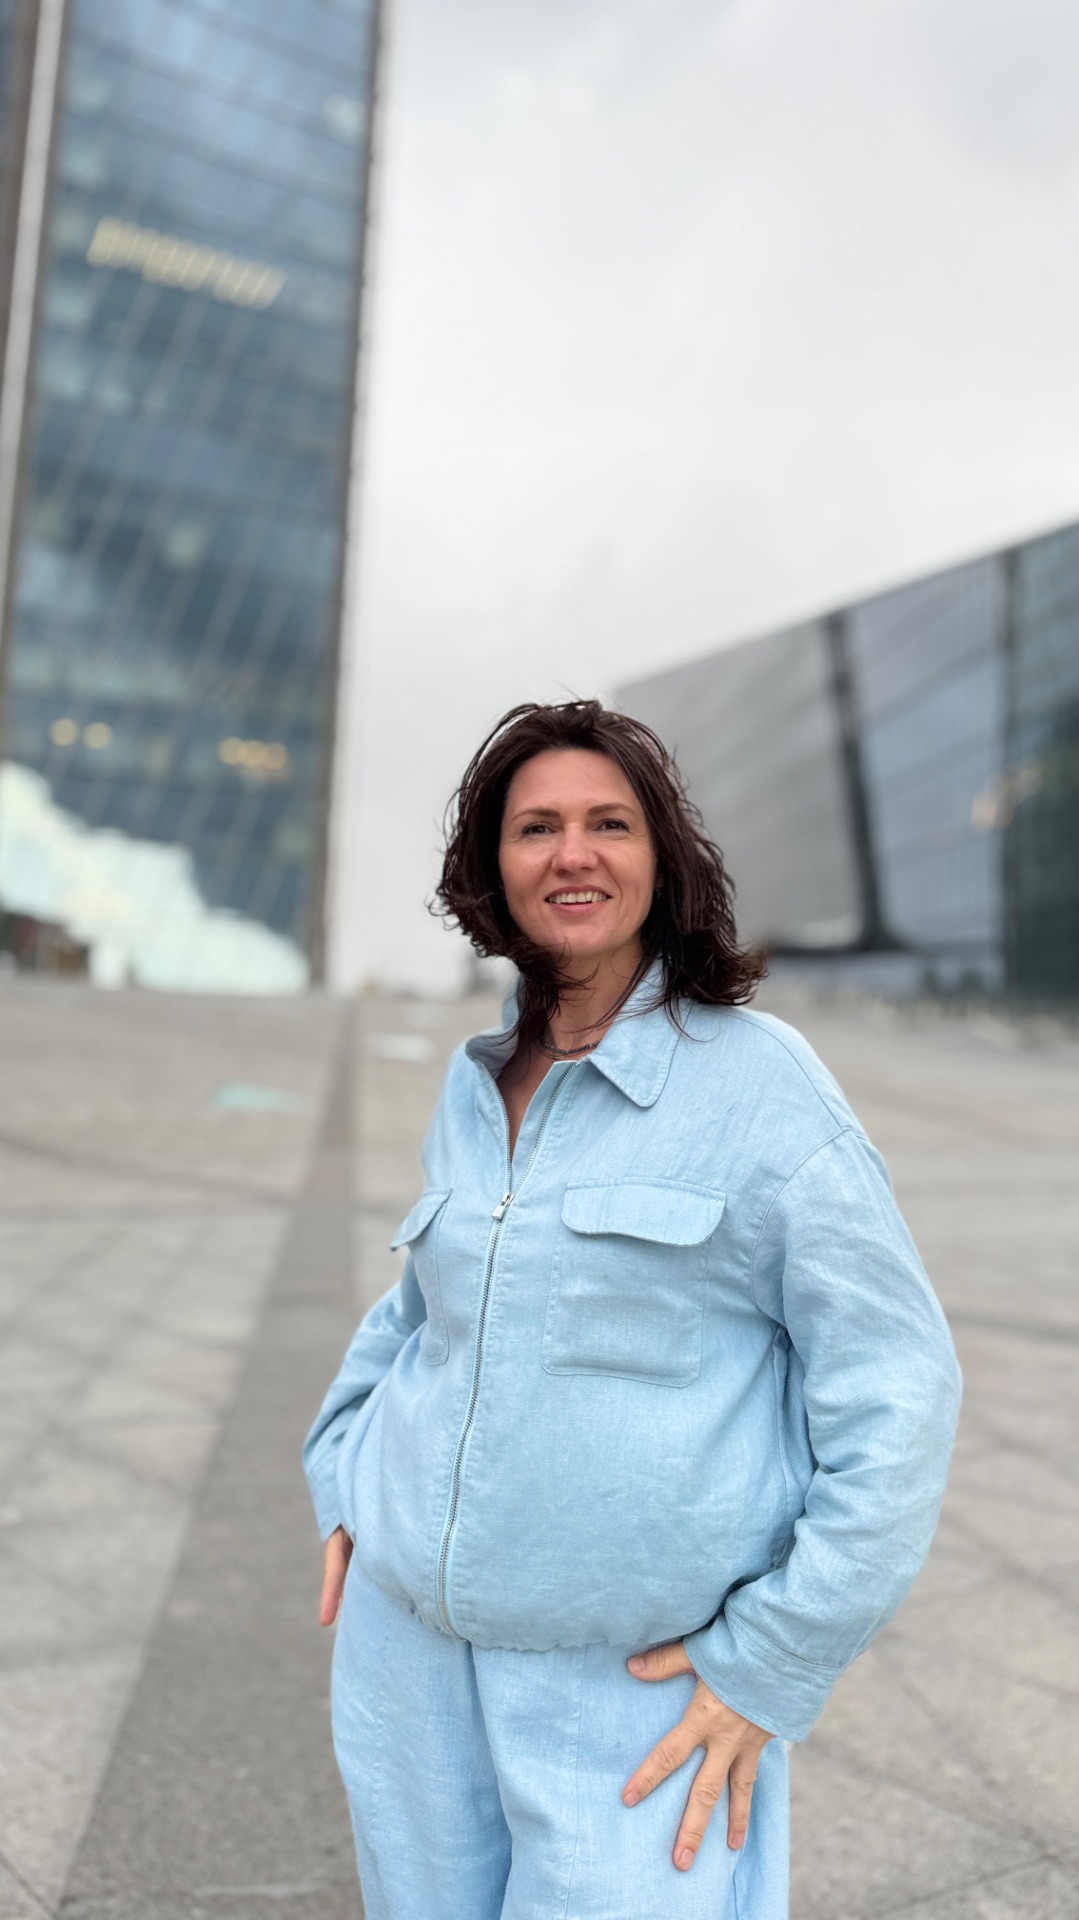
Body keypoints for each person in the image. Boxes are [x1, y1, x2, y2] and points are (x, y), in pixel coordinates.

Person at [304, 699, 961, 1920]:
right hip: (408, 1676)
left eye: (608, 824)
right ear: (492, 868)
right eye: (535, 827)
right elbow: (418, 1311)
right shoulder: (477, 1079)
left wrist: (773, 1660)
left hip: (632, 1698)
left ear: (662, 856)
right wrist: (340, 1470)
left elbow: (899, 1391)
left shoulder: (761, 1088)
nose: (573, 854)